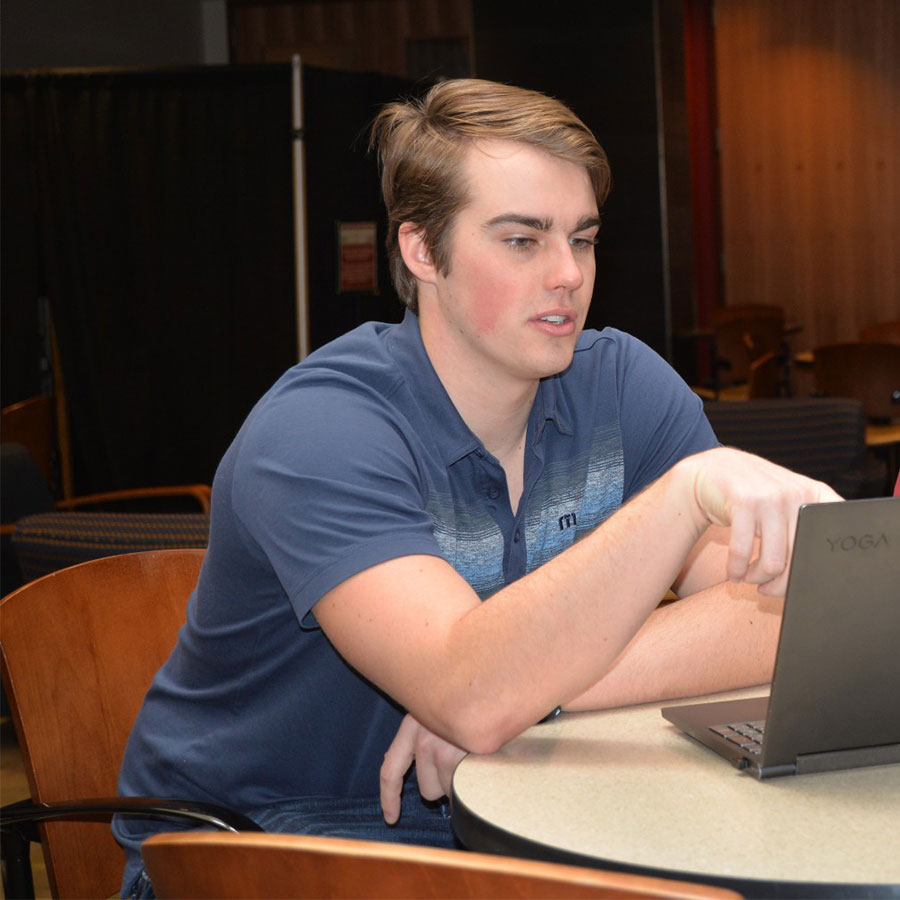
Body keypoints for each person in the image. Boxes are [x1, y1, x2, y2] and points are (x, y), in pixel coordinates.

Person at [114, 78, 840, 897]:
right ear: (423, 251)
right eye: (523, 240)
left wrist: (535, 694)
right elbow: (468, 688)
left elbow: (787, 623)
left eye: (584, 238)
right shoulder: (321, 430)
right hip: (261, 848)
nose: (568, 273)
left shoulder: (623, 384)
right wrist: (679, 500)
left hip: (511, 822)